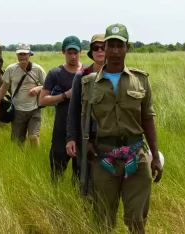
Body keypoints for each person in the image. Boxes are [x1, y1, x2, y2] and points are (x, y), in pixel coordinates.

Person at [80, 23, 163, 234]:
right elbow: (85, 117)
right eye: (111, 46)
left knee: (136, 220)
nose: (115, 51)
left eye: (120, 45)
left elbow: (148, 118)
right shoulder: (89, 83)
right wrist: (87, 143)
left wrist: (154, 155)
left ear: (128, 48)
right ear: (104, 49)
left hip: (137, 157)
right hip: (104, 159)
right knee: (103, 219)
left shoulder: (140, 80)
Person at [39, 36, 87, 184]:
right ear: (63, 52)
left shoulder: (87, 71)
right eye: (69, 52)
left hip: (82, 128)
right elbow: (43, 100)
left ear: (81, 52)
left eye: (76, 52)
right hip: (61, 128)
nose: (73, 56)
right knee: (57, 171)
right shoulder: (55, 73)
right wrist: (66, 95)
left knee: (81, 173)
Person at [65, 33, 105, 197]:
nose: (100, 51)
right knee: (86, 179)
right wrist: (71, 138)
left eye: (103, 47)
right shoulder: (82, 76)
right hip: (88, 137)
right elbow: (73, 109)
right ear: (91, 52)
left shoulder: (120, 76)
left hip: (112, 138)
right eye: (96, 48)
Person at [0, 43, 46, 147]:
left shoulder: (38, 69)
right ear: (17, 55)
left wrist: (38, 88)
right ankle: (21, 160)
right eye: (20, 54)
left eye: (25, 54)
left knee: (34, 137)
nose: (22, 56)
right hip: (17, 110)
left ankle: (34, 158)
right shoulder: (11, 69)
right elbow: (4, 87)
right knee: (17, 142)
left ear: (30, 55)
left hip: (34, 109)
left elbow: (49, 85)